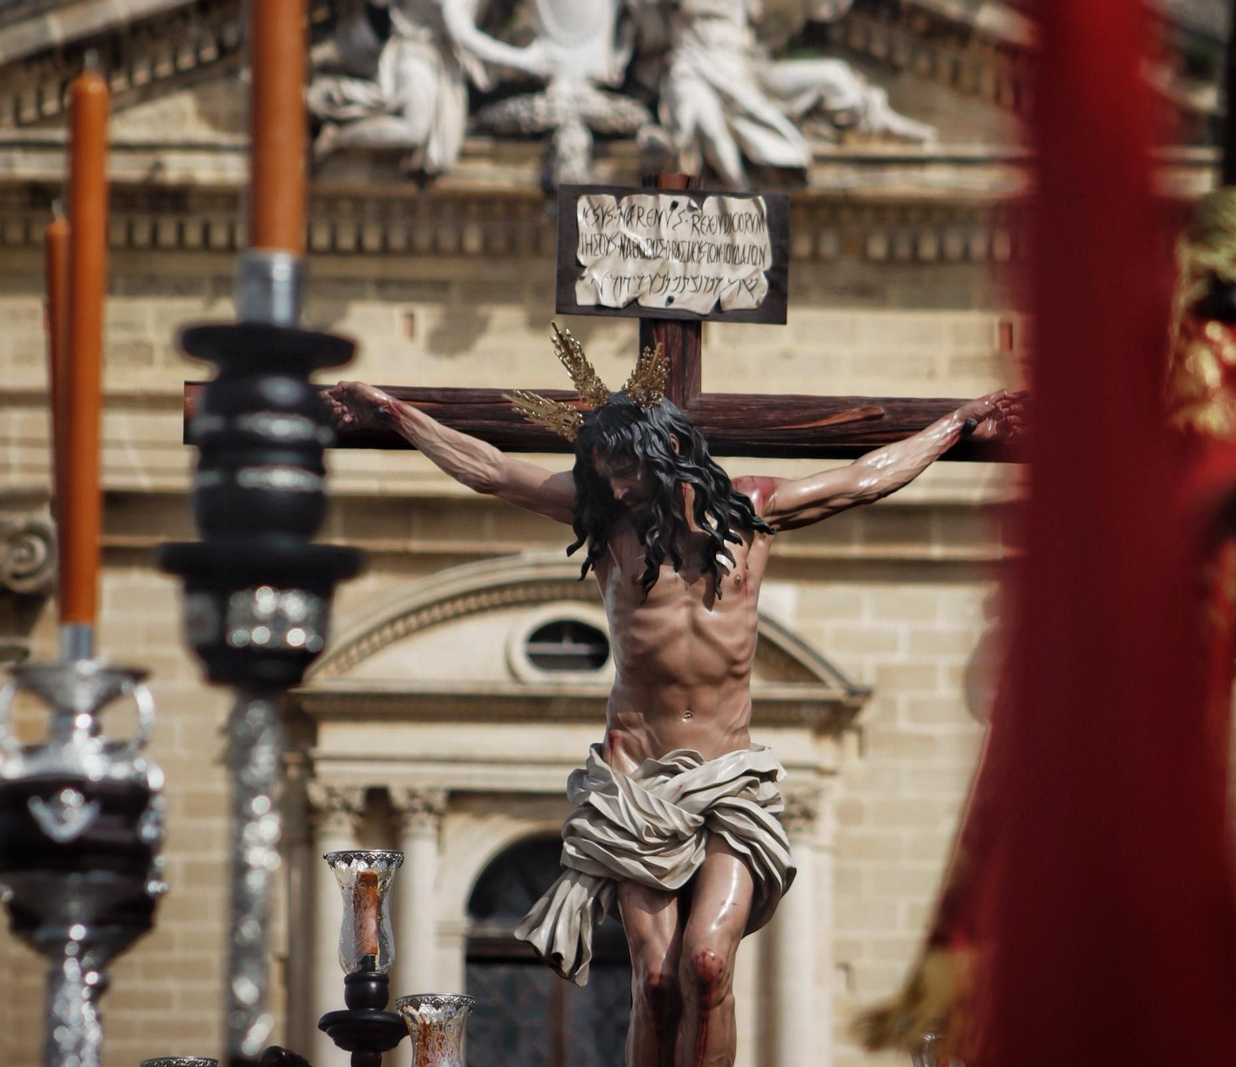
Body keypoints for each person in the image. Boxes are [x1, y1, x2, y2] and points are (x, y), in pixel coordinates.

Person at [325, 345, 1020, 1067]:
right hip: (638, 788)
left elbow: (864, 478)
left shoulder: (753, 515)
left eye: (629, 469)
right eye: (607, 474)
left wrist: (956, 424)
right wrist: (396, 414)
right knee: (656, 981)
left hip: (728, 782)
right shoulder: (607, 531)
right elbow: (494, 468)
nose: (619, 487)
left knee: (708, 963)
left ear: (671, 451)